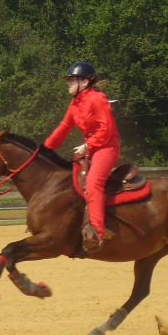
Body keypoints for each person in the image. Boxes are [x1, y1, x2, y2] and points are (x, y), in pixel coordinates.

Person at [43, 61, 121, 253]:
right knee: (68, 181)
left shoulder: (98, 98)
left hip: (107, 147)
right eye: (68, 80)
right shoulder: (75, 104)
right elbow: (63, 129)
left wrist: (88, 145)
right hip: (91, 149)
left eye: (71, 80)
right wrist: (43, 150)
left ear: (84, 82)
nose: (68, 83)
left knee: (93, 183)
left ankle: (96, 232)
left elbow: (107, 129)